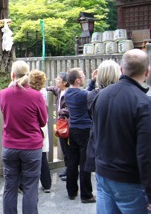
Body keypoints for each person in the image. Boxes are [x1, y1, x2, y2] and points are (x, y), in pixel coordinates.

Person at [91, 49, 151, 213]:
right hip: (129, 179)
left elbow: (95, 134)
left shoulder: (101, 96)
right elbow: (146, 153)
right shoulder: (143, 103)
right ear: (147, 72)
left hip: (103, 173)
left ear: (122, 69)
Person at [0, 60, 47, 214]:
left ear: (12, 74)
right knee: (30, 187)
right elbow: (43, 120)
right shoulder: (36, 95)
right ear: (28, 74)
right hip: (31, 146)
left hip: (10, 145)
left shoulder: (3, 94)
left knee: (10, 186)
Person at [64, 67, 95, 203]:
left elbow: (86, 93)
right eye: (82, 77)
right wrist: (95, 82)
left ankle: (71, 191)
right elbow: (91, 94)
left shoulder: (67, 93)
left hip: (73, 129)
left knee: (72, 161)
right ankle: (86, 195)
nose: (84, 79)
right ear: (77, 80)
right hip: (84, 130)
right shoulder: (82, 95)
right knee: (84, 163)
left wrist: (92, 81)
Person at [85, 60, 121, 172]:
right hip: (120, 145)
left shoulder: (93, 95)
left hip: (100, 144)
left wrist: (92, 81)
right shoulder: (122, 93)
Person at [29, 69, 52, 193]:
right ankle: (47, 184)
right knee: (42, 154)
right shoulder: (43, 92)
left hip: (32, 124)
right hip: (43, 123)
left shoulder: (29, 92)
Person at [46, 72, 70, 181]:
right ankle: (68, 169)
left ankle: (71, 171)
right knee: (64, 147)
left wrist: (61, 111)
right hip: (61, 122)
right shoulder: (59, 90)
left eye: (58, 79)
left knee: (69, 148)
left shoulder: (70, 93)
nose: (56, 80)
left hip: (67, 122)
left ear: (65, 82)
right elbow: (52, 88)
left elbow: (71, 108)